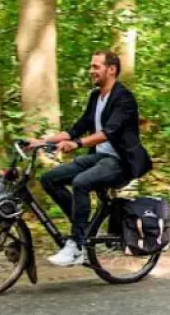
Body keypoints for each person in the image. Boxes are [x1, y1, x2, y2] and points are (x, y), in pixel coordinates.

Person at [29, 51, 152, 266]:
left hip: (121, 162)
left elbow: (109, 131)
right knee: (49, 179)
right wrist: (42, 141)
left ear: (111, 69)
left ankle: (77, 245)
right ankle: (83, 230)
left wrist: (76, 144)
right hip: (99, 158)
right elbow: (78, 128)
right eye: (92, 67)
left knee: (81, 183)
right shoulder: (96, 96)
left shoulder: (124, 98)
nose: (91, 71)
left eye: (96, 67)